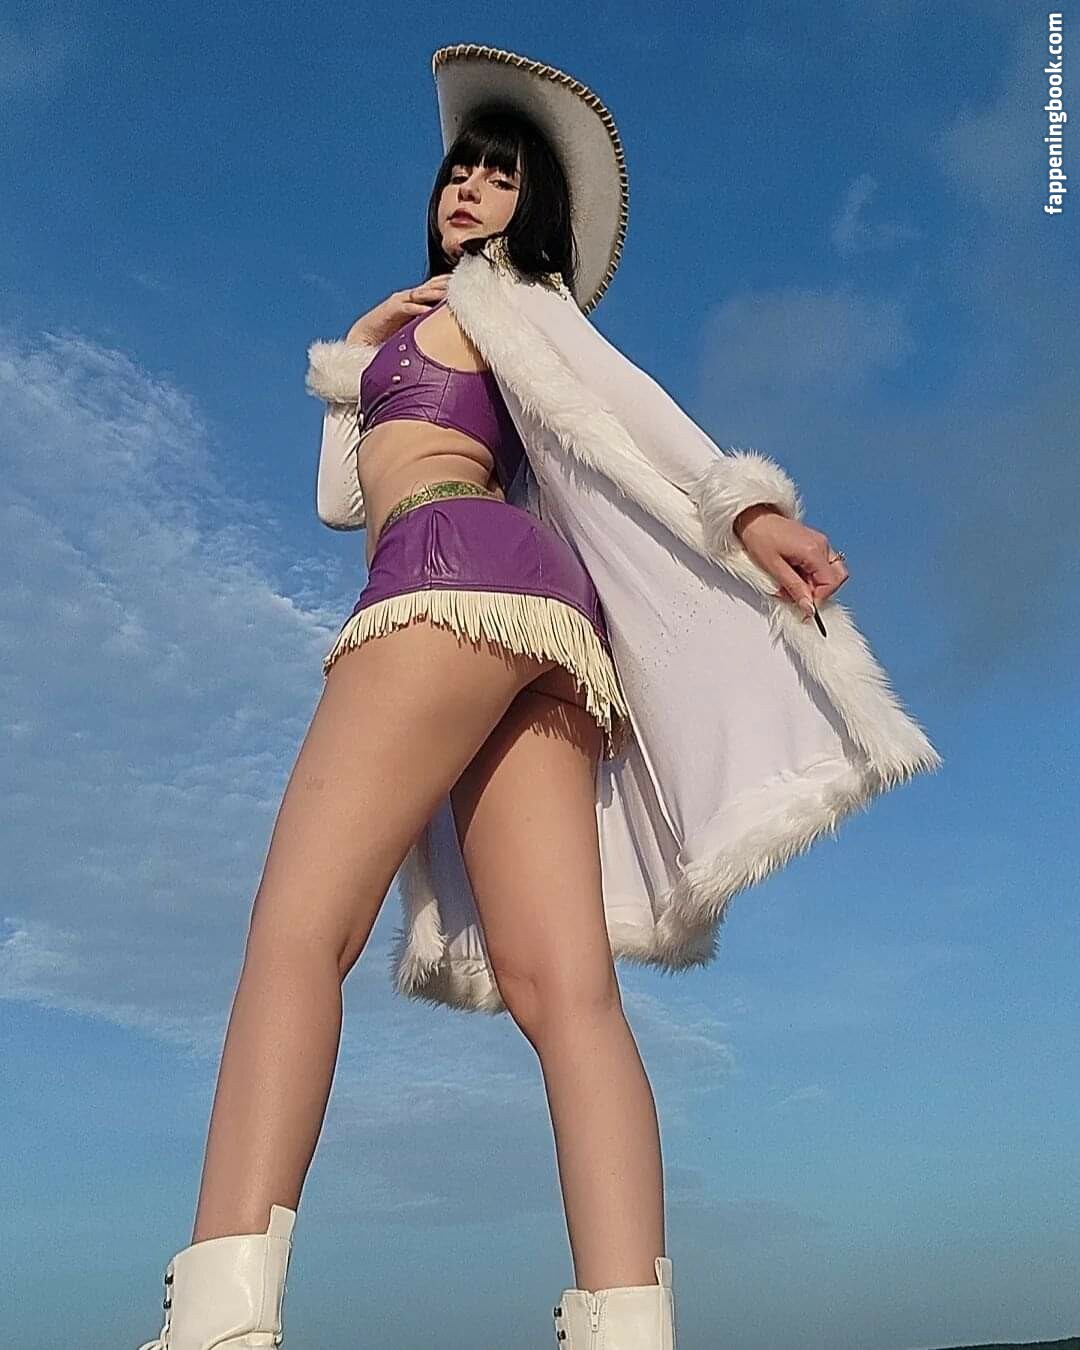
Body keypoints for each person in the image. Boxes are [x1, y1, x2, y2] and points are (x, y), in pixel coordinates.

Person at [135, 44, 941, 1350]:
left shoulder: (507, 295)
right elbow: (341, 490)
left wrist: (748, 509)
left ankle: (218, 1320)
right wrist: (364, 350)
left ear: (535, 210)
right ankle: (627, 1324)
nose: (468, 186)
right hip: (542, 617)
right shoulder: (443, 320)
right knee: (560, 985)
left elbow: (625, 407)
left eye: (500, 175)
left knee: (297, 932)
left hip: (446, 573)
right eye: (460, 168)